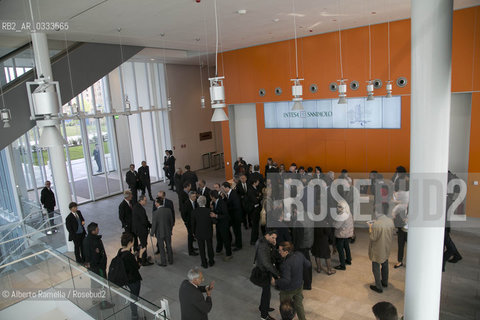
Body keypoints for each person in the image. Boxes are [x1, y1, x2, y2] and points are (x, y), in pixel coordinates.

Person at [273, 241, 310, 320]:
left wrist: (275, 282)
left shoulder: (286, 264)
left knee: (286, 310)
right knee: (299, 305)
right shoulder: (299, 254)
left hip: (288, 290)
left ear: (286, 252)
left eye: (280, 251)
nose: (279, 252)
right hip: (299, 286)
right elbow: (308, 264)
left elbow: (286, 281)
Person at [83, 222, 114, 309]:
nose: (98, 230)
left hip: (95, 267)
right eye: (97, 229)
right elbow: (92, 256)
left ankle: (95, 299)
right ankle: (103, 303)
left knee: (94, 283)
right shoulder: (93, 241)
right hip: (98, 267)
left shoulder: (86, 240)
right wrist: (100, 265)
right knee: (102, 284)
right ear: (93, 231)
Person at [118, 232, 146, 320]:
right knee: (134, 297)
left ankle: (134, 314)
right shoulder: (129, 256)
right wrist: (140, 255)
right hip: (133, 280)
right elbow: (137, 266)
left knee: (133, 296)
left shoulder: (120, 252)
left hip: (126, 279)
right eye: (133, 241)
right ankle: (134, 315)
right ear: (130, 242)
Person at [255, 230, 280, 320]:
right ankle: (264, 315)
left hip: (263, 270)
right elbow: (267, 263)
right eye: (273, 237)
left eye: (275, 238)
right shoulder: (263, 246)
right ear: (267, 235)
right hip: (263, 272)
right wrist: (277, 273)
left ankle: (263, 307)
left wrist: (273, 244)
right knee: (266, 294)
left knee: (266, 292)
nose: (274, 239)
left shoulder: (263, 241)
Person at [368, 211, 395, 293]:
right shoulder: (390, 221)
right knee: (385, 264)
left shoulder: (377, 224)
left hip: (378, 249)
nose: (375, 213)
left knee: (375, 268)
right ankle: (385, 282)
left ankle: (378, 287)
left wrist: (370, 227)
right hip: (386, 247)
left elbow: (373, 237)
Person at [192, 196, 215, 268]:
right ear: (205, 202)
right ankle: (211, 261)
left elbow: (193, 224)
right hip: (208, 232)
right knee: (210, 247)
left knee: (201, 249)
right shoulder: (209, 211)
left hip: (199, 233)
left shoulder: (194, 212)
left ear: (198, 203)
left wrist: (193, 232)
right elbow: (214, 221)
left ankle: (204, 263)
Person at [210, 190, 232, 261]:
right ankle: (219, 250)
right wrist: (212, 208)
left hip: (224, 224)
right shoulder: (214, 202)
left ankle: (229, 254)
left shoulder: (222, 203)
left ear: (213, 197)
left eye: (210, 197)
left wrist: (216, 215)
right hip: (218, 223)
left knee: (226, 239)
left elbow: (226, 215)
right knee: (218, 237)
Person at [151, 198, 174, 266]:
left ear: (158, 203)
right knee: (169, 246)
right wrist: (170, 229)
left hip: (159, 233)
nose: (155, 204)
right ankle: (171, 260)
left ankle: (164, 262)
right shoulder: (168, 210)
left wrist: (152, 233)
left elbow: (154, 224)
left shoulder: (155, 213)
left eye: (155, 202)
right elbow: (171, 222)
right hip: (168, 232)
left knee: (161, 248)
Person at [132, 195, 154, 266]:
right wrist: (150, 225)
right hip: (142, 230)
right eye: (145, 200)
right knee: (144, 245)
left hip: (138, 229)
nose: (146, 202)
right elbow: (144, 221)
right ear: (141, 200)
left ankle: (140, 257)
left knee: (142, 244)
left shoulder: (136, 206)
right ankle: (144, 260)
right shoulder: (140, 209)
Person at [333, 200, 354, 270]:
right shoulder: (349, 212)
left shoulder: (342, 215)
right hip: (347, 234)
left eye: (339, 207)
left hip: (341, 234)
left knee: (340, 250)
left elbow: (336, 226)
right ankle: (348, 260)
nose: (337, 208)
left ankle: (342, 265)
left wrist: (333, 222)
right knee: (347, 247)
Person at [222, 181, 243, 251]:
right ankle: (237, 242)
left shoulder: (233, 195)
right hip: (233, 216)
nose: (223, 190)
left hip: (236, 216)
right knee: (235, 231)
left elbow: (236, 206)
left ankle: (239, 245)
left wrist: (227, 208)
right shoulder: (229, 194)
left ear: (227, 188)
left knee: (237, 231)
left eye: (223, 188)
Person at [391, 190, 409, 269]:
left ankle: (411, 261)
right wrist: (394, 215)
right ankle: (400, 261)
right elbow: (394, 211)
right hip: (402, 229)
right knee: (400, 245)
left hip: (410, 231)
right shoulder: (401, 206)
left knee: (411, 247)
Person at [181, 190, 199, 256]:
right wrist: (186, 221)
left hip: (194, 222)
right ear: (190, 197)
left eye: (195, 196)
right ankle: (190, 251)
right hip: (189, 223)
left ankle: (192, 248)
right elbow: (183, 214)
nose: (195, 198)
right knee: (190, 236)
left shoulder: (195, 202)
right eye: (193, 197)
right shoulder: (186, 204)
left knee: (192, 236)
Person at [248, 178, 264, 245]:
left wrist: (259, 196)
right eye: (257, 181)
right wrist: (259, 197)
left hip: (257, 208)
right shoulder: (250, 190)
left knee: (256, 225)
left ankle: (256, 238)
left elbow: (259, 195)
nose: (258, 182)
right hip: (254, 210)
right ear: (254, 182)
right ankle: (253, 240)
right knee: (255, 226)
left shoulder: (255, 188)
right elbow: (255, 200)